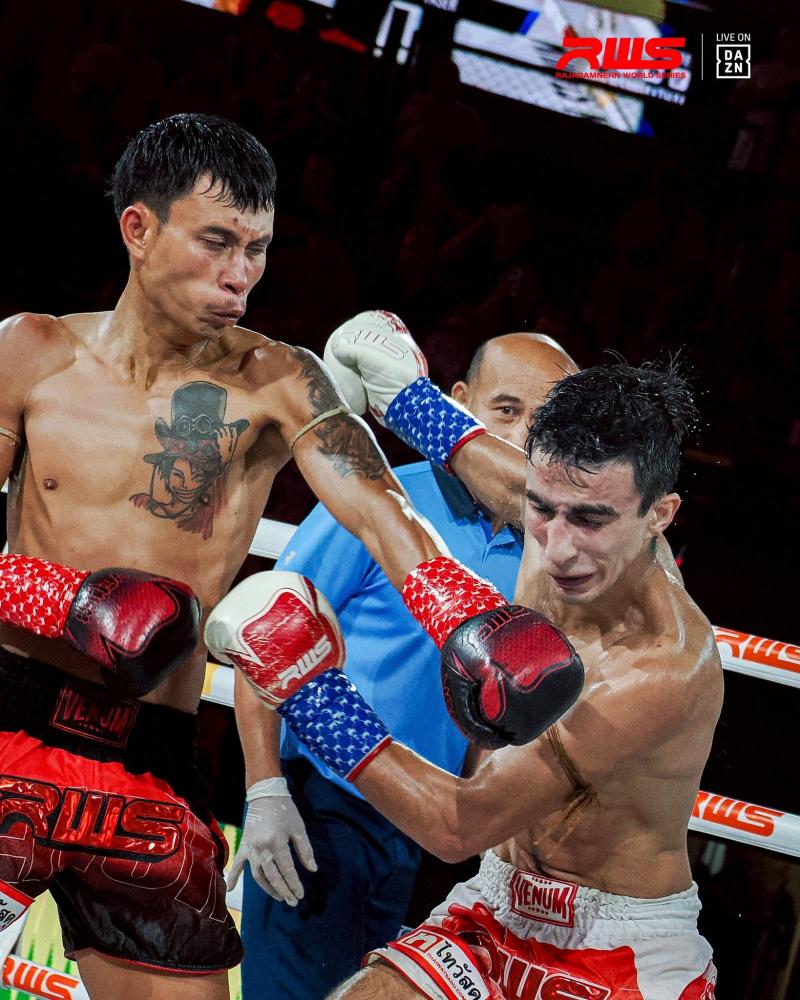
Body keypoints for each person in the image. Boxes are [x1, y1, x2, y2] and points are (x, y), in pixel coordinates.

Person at [0, 114, 582, 1000]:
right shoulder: (30, 352)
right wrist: (67, 601)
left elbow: (384, 515)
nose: (240, 273)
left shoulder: (279, 381)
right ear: (139, 228)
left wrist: (469, 617)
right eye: (217, 242)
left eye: (258, 249)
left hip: (152, 757)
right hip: (12, 723)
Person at [208, 351, 722, 998]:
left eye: (591, 521)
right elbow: (461, 457)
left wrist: (311, 693)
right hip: (500, 900)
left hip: (618, 949)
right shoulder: (560, 501)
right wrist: (401, 392)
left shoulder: (657, 669)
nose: (558, 548)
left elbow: (460, 826)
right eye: (541, 509)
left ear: (659, 515)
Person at [234, 333, 579, 1000]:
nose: (522, 437)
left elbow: (497, 718)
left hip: (426, 827)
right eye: (506, 410)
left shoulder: (546, 557)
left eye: (545, 423)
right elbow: (264, 627)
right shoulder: (378, 494)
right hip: (321, 808)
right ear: (459, 403)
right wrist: (264, 788)